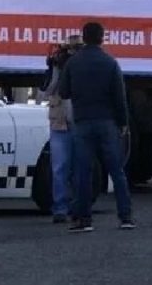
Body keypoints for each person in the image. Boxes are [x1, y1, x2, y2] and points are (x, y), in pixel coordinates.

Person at [60, 21, 134, 233]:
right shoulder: (110, 63)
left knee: (83, 171)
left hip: (82, 122)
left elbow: (63, 92)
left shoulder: (73, 63)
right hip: (107, 122)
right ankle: (125, 216)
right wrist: (123, 123)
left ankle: (83, 219)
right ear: (102, 38)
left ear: (83, 38)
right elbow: (120, 97)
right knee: (116, 170)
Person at [39, 35, 83, 223]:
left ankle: (77, 207)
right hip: (59, 121)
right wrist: (55, 67)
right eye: (68, 50)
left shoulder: (85, 66)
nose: (70, 54)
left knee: (79, 167)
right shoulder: (57, 65)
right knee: (59, 167)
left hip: (79, 121)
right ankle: (60, 208)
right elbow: (46, 90)